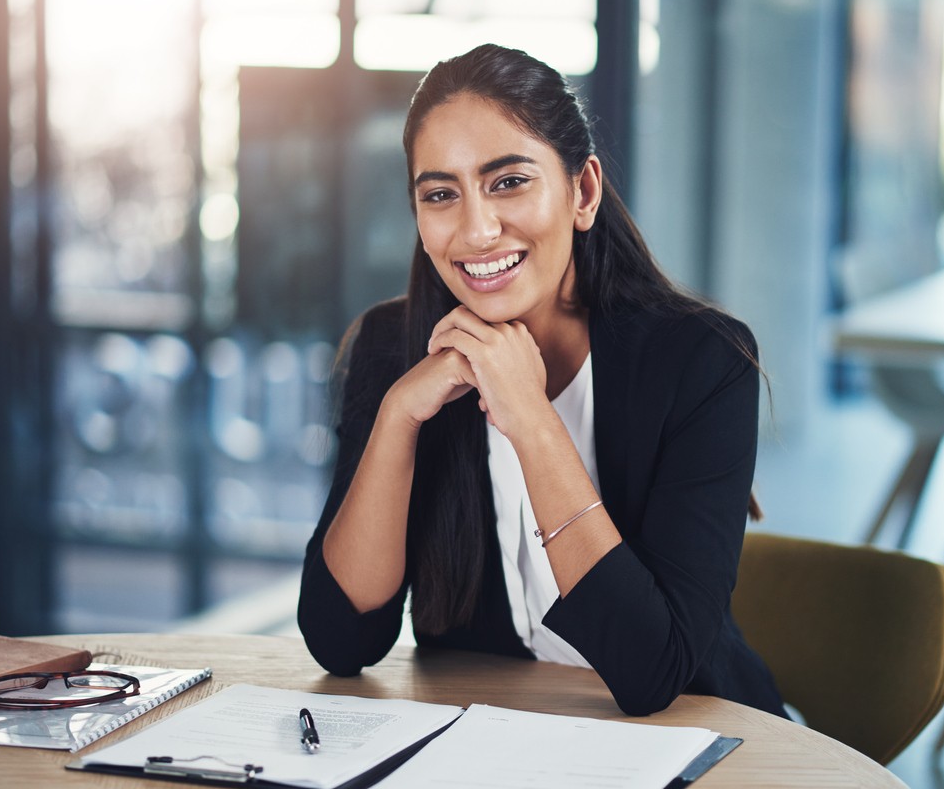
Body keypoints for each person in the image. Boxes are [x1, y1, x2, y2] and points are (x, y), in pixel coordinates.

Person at [298, 43, 785, 718]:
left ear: (581, 191)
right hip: (497, 747)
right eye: (441, 194)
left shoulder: (703, 361)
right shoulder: (394, 346)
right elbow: (339, 640)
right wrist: (397, 417)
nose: (477, 229)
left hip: (697, 744)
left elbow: (652, 673)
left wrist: (528, 415)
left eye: (508, 181)